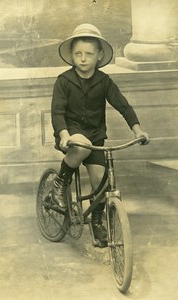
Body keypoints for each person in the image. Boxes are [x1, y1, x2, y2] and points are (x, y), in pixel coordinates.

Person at [51, 23, 150, 246]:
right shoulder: (64, 81)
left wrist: (137, 129)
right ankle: (59, 183)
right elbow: (57, 112)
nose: (83, 59)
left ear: (99, 55)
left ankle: (97, 223)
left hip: (96, 138)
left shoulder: (104, 82)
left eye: (89, 54)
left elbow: (123, 106)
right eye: (78, 54)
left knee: (101, 182)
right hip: (69, 135)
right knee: (82, 145)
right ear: (71, 56)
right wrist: (64, 134)